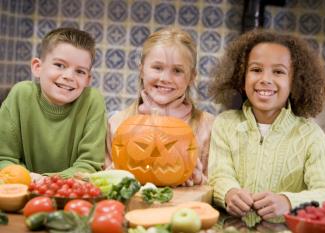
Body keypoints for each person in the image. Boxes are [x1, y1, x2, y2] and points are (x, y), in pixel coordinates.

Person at [208, 29, 325, 224]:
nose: (265, 79)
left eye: (278, 72)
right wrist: (229, 192)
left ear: (295, 81)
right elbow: (219, 175)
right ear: (241, 76)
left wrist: (289, 202)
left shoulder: (311, 135)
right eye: (256, 70)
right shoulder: (225, 124)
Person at [106, 27, 214, 186]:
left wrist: (199, 181)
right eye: (157, 68)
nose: (165, 78)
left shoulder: (208, 126)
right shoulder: (117, 122)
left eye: (177, 71)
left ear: (192, 77)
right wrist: (114, 173)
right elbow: (101, 182)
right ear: (141, 70)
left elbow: (217, 186)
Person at [0, 28, 107, 179]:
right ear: (38, 67)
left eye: (80, 71)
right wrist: (31, 179)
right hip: (22, 187)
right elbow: (4, 159)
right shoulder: (20, 95)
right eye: (59, 65)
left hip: (70, 193)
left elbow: (89, 164)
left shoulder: (92, 101)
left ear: (88, 80)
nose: (69, 76)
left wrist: (49, 182)